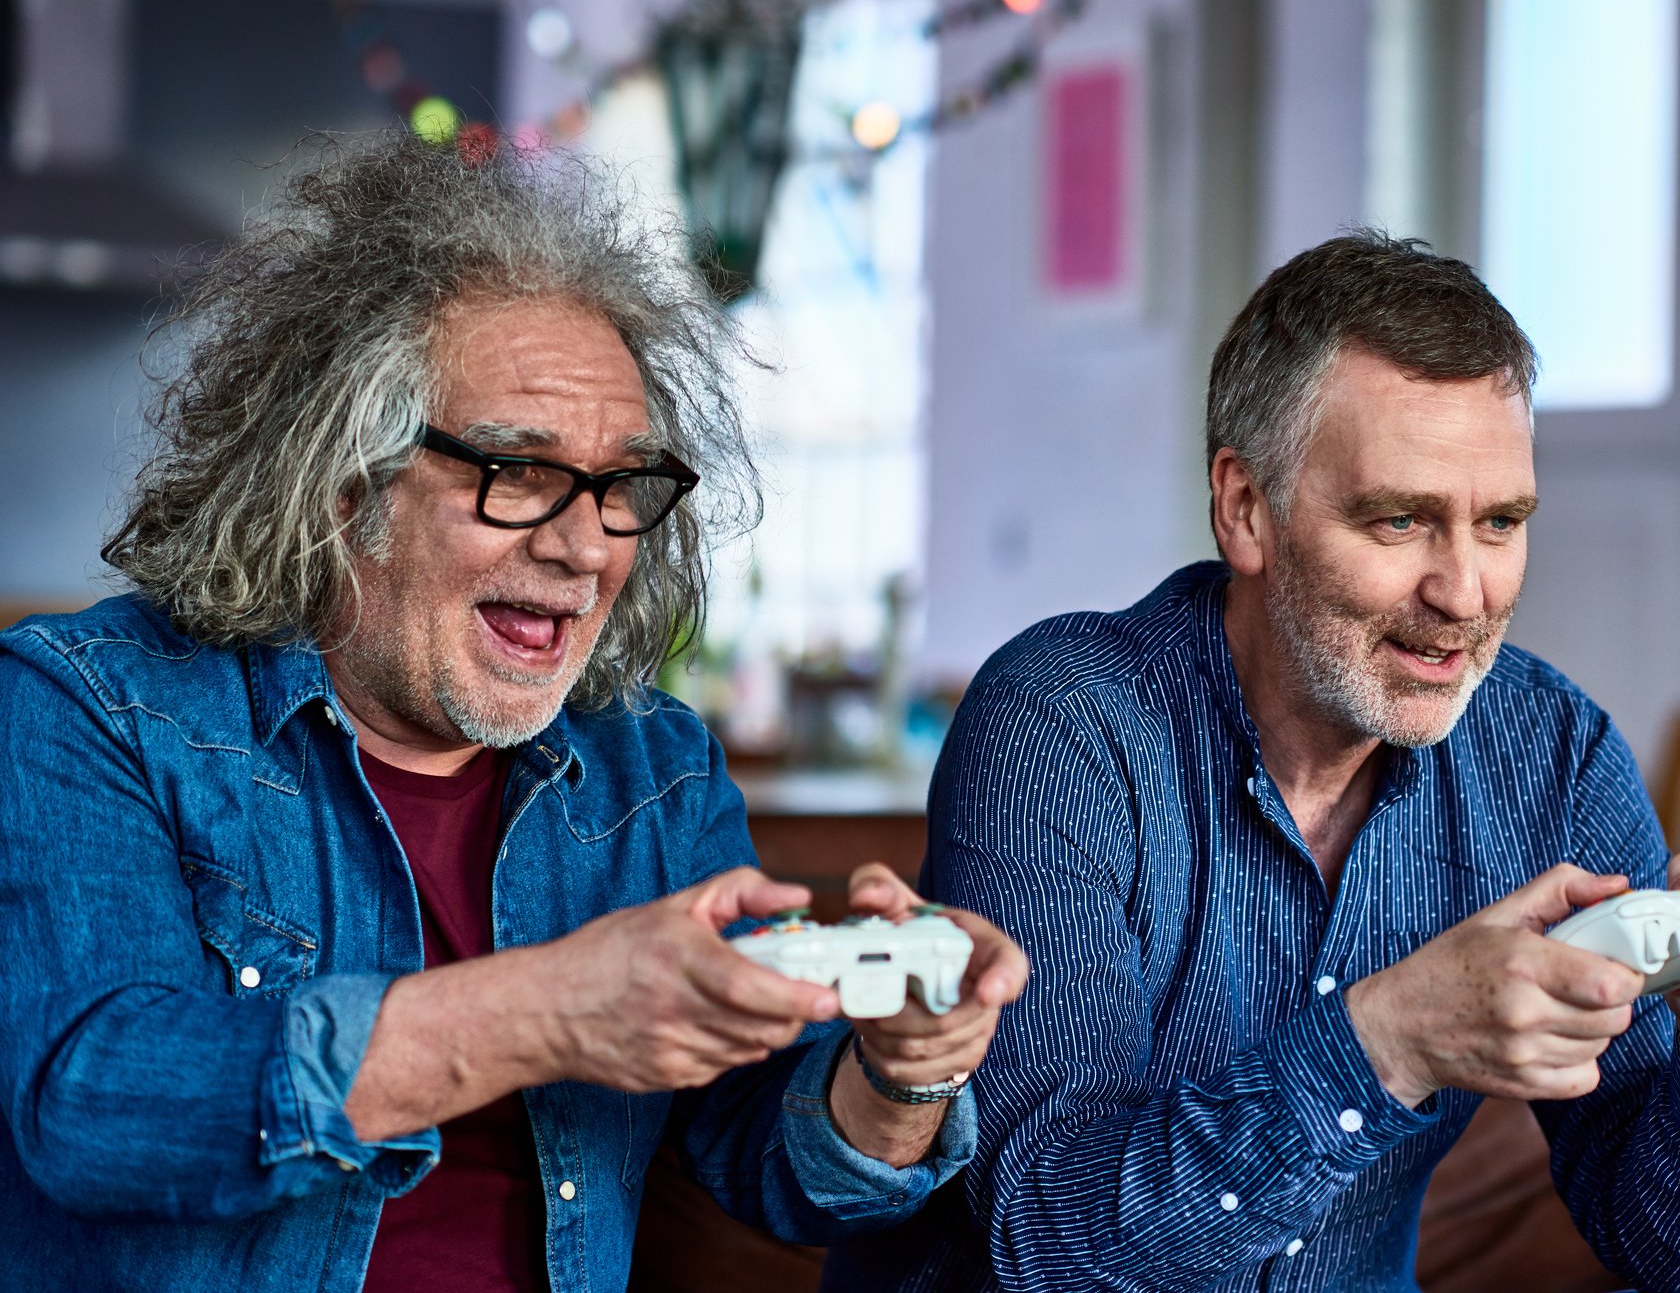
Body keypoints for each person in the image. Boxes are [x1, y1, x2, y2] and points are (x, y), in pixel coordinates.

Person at [0, 133, 1026, 1292]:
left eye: (623, 486)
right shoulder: (88, 706)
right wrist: (547, 1009)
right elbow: (96, 1104)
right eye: (518, 473)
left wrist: (902, 1070)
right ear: (341, 482)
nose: (584, 544)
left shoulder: (655, 768)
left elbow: (773, 1165)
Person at [833, 234, 1680, 1292]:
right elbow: (1047, 1231)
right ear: (1245, 508)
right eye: (1400, 519)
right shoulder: (1062, 721)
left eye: (1500, 522)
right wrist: (1387, 1040)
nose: (1465, 592)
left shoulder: (1551, 756)